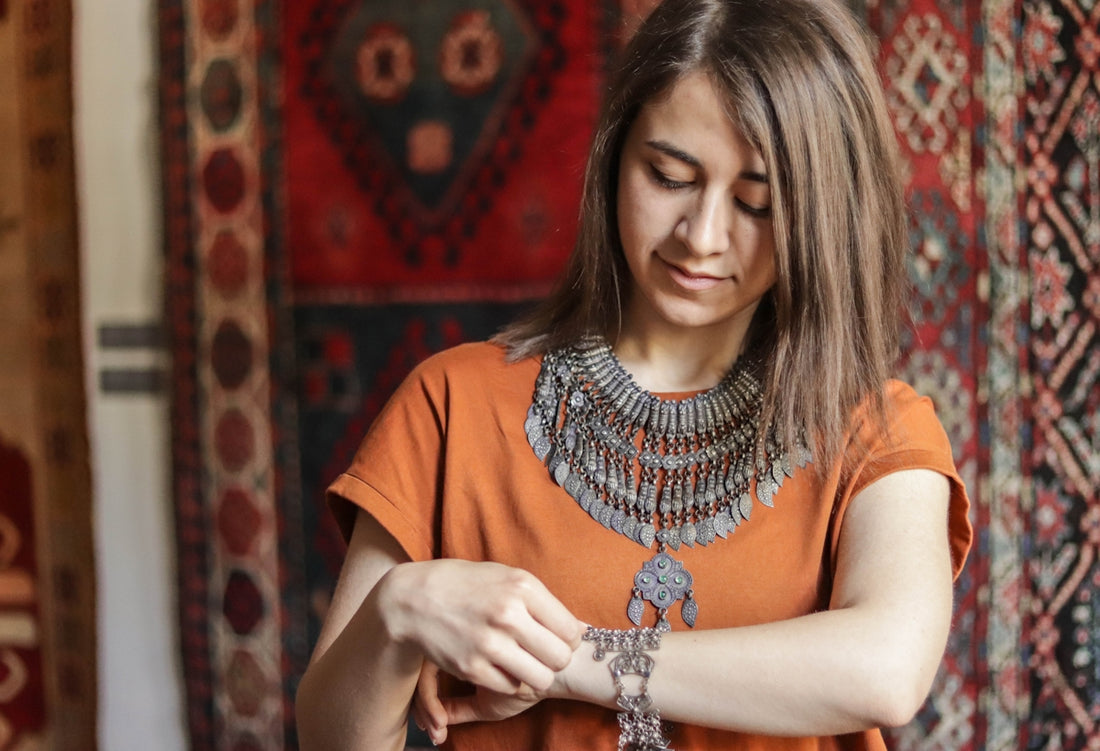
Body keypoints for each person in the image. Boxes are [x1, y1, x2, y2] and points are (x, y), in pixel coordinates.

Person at [295, 0, 973, 748]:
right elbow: (330, 740)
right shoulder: (453, 403)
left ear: (822, 215)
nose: (702, 237)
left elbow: (887, 671)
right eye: (669, 176)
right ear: (615, 157)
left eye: (757, 203)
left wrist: (567, 661)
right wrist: (398, 611)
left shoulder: (878, 432)